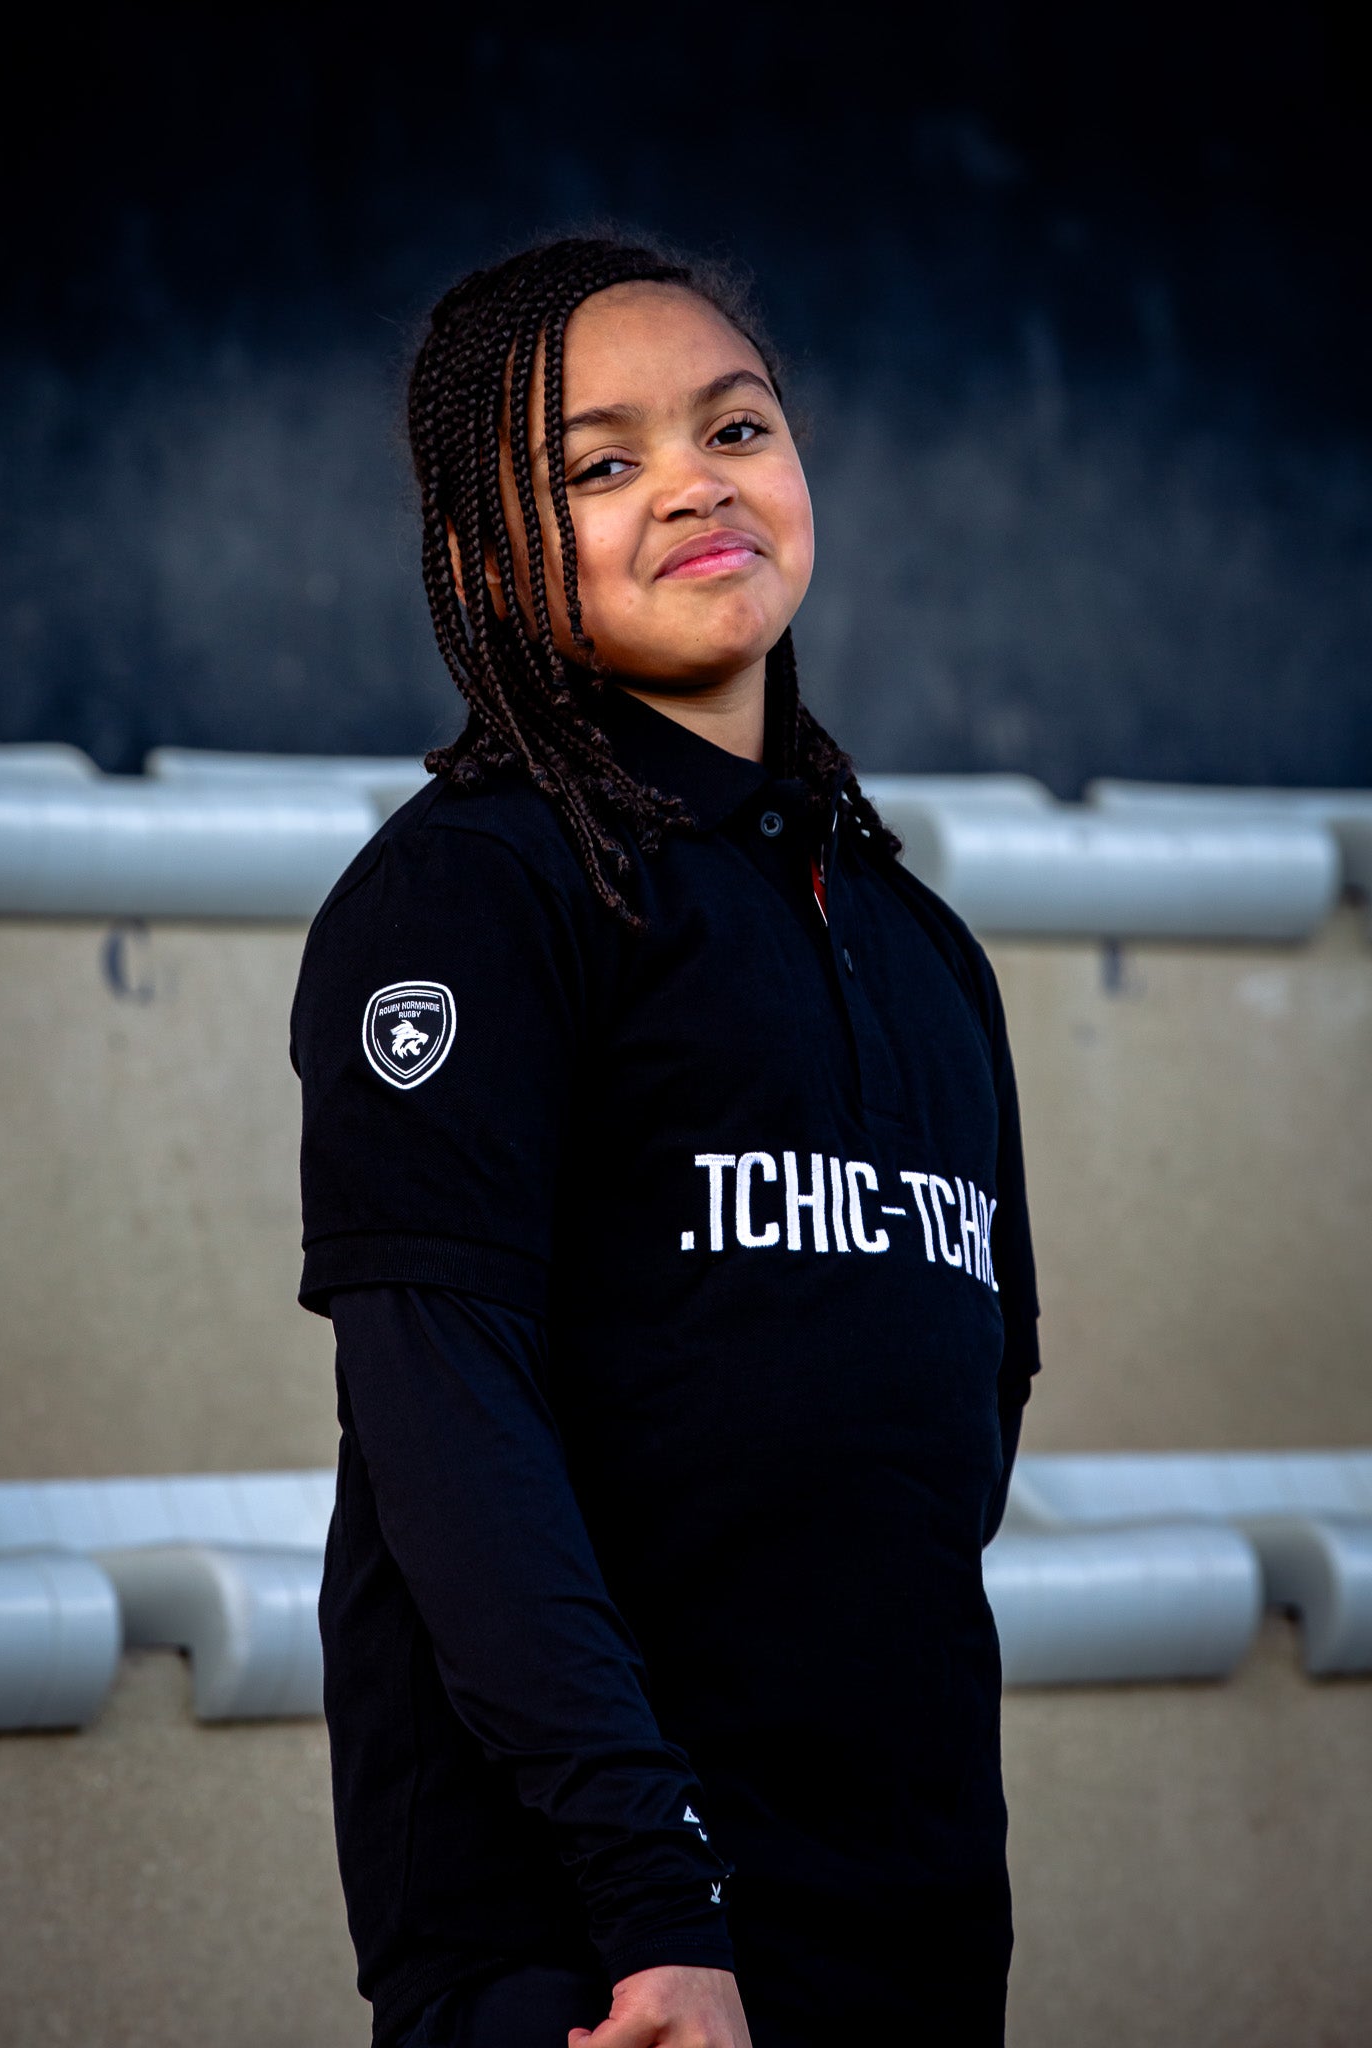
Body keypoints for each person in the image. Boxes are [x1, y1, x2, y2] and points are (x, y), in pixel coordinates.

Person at [290, 234, 1040, 2048]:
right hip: (601, 1949)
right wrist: (653, 1901)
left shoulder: (924, 948)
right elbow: (448, 1431)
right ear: (483, 564)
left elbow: (966, 1420)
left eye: (736, 428)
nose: (694, 483)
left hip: (906, 1922)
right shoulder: (471, 896)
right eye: (601, 464)